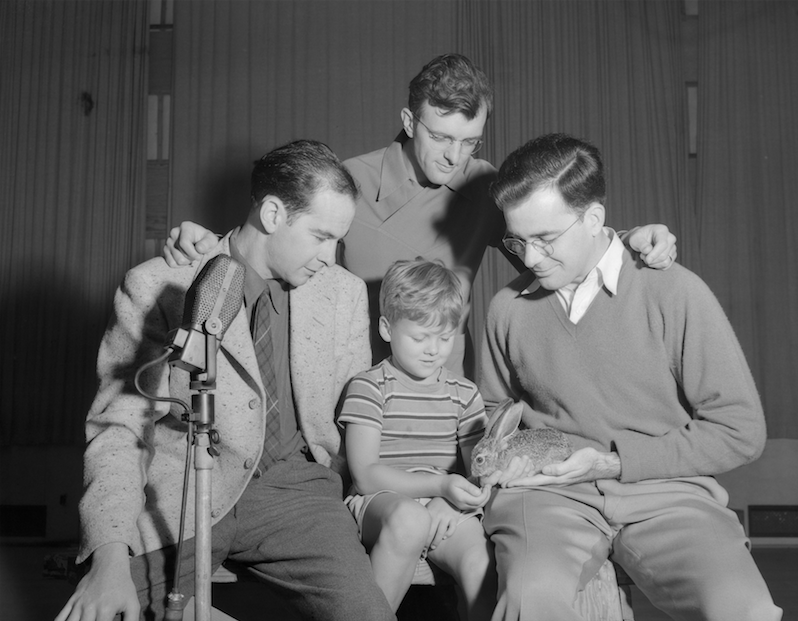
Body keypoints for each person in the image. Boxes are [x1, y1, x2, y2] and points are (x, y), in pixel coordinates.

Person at [163, 54, 678, 380]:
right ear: (409, 122)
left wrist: (631, 240)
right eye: (440, 137)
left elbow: (555, 241)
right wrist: (205, 243)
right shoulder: (347, 181)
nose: (455, 156)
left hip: (445, 385)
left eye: (470, 140)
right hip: (349, 380)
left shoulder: (484, 185)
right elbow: (271, 247)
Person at [55, 140, 395, 621]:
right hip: (184, 490)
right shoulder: (159, 285)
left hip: (300, 496)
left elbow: (359, 414)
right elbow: (120, 430)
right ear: (273, 214)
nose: (331, 255)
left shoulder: (343, 293)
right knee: (107, 610)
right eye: (321, 236)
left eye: (338, 239)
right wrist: (109, 556)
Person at [478, 133, 782, 621]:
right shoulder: (506, 310)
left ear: (594, 219)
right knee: (530, 599)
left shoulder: (675, 292)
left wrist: (614, 463)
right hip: (549, 497)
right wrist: (509, 459)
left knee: (745, 609)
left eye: (545, 239)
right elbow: (491, 416)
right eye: (518, 240)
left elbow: (740, 430)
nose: (529, 258)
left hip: (669, 495)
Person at [338, 258, 495, 620]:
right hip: (383, 503)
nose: (433, 349)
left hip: (445, 506)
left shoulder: (465, 393)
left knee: (481, 562)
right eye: (419, 337)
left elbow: (479, 471)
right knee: (410, 521)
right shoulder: (369, 386)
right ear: (386, 328)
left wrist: (455, 502)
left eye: (444, 337)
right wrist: (440, 486)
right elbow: (364, 475)